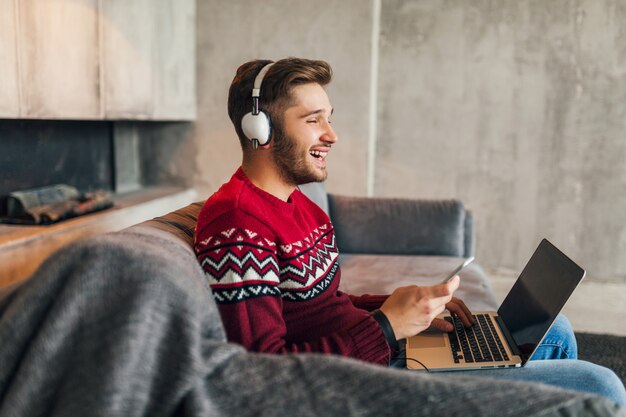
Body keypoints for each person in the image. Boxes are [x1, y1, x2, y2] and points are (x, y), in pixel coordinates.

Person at [194, 57, 626, 406]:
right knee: (602, 386)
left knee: (558, 330)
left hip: (379, 351)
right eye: (313, 120)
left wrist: (407, 308)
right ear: (260, 130)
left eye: (330, 118)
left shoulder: (299, 204)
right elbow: (263, 375)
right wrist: (387, 326)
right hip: (363, 380)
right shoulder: (237, 224)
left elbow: (323, 307)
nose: (333, 135)